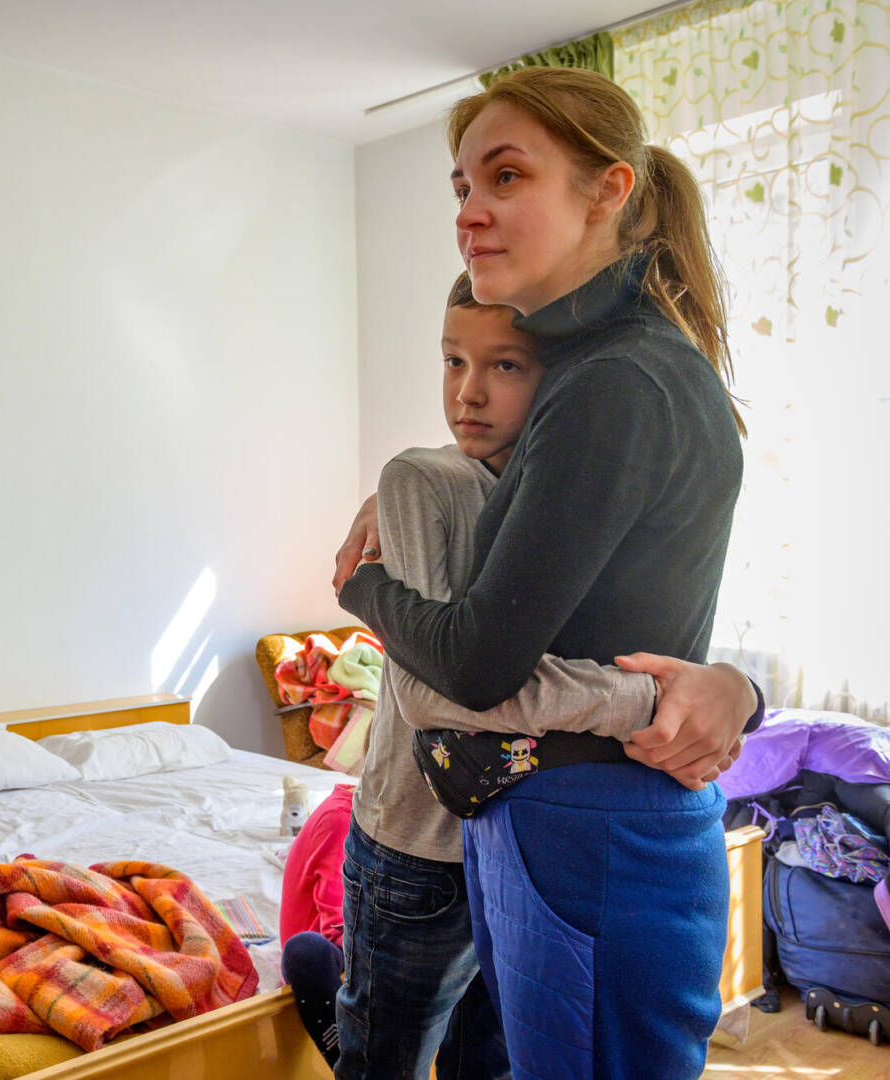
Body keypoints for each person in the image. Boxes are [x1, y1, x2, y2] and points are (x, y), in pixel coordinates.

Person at [337, 67, 761, 1079]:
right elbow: (641, 593)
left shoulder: (613, 380)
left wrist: (361, 591)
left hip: (592, 827)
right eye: (460, 188)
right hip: (571, 818)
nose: (470, 213)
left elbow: (478, 665)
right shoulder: (610, 372)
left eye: (507, 176)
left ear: (608, 191)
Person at [293, 272, 701, 1080]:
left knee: (487, 1060)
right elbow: (426, 686)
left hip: (522, 847)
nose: (467, 392)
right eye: (451, 362)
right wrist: (642, 701)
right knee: (386, 1061)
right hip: (417, 847)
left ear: (556, 378)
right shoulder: (425, 478)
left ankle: (341, 1019)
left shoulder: (565, 494)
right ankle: (340, 1022)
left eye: (505, 366)